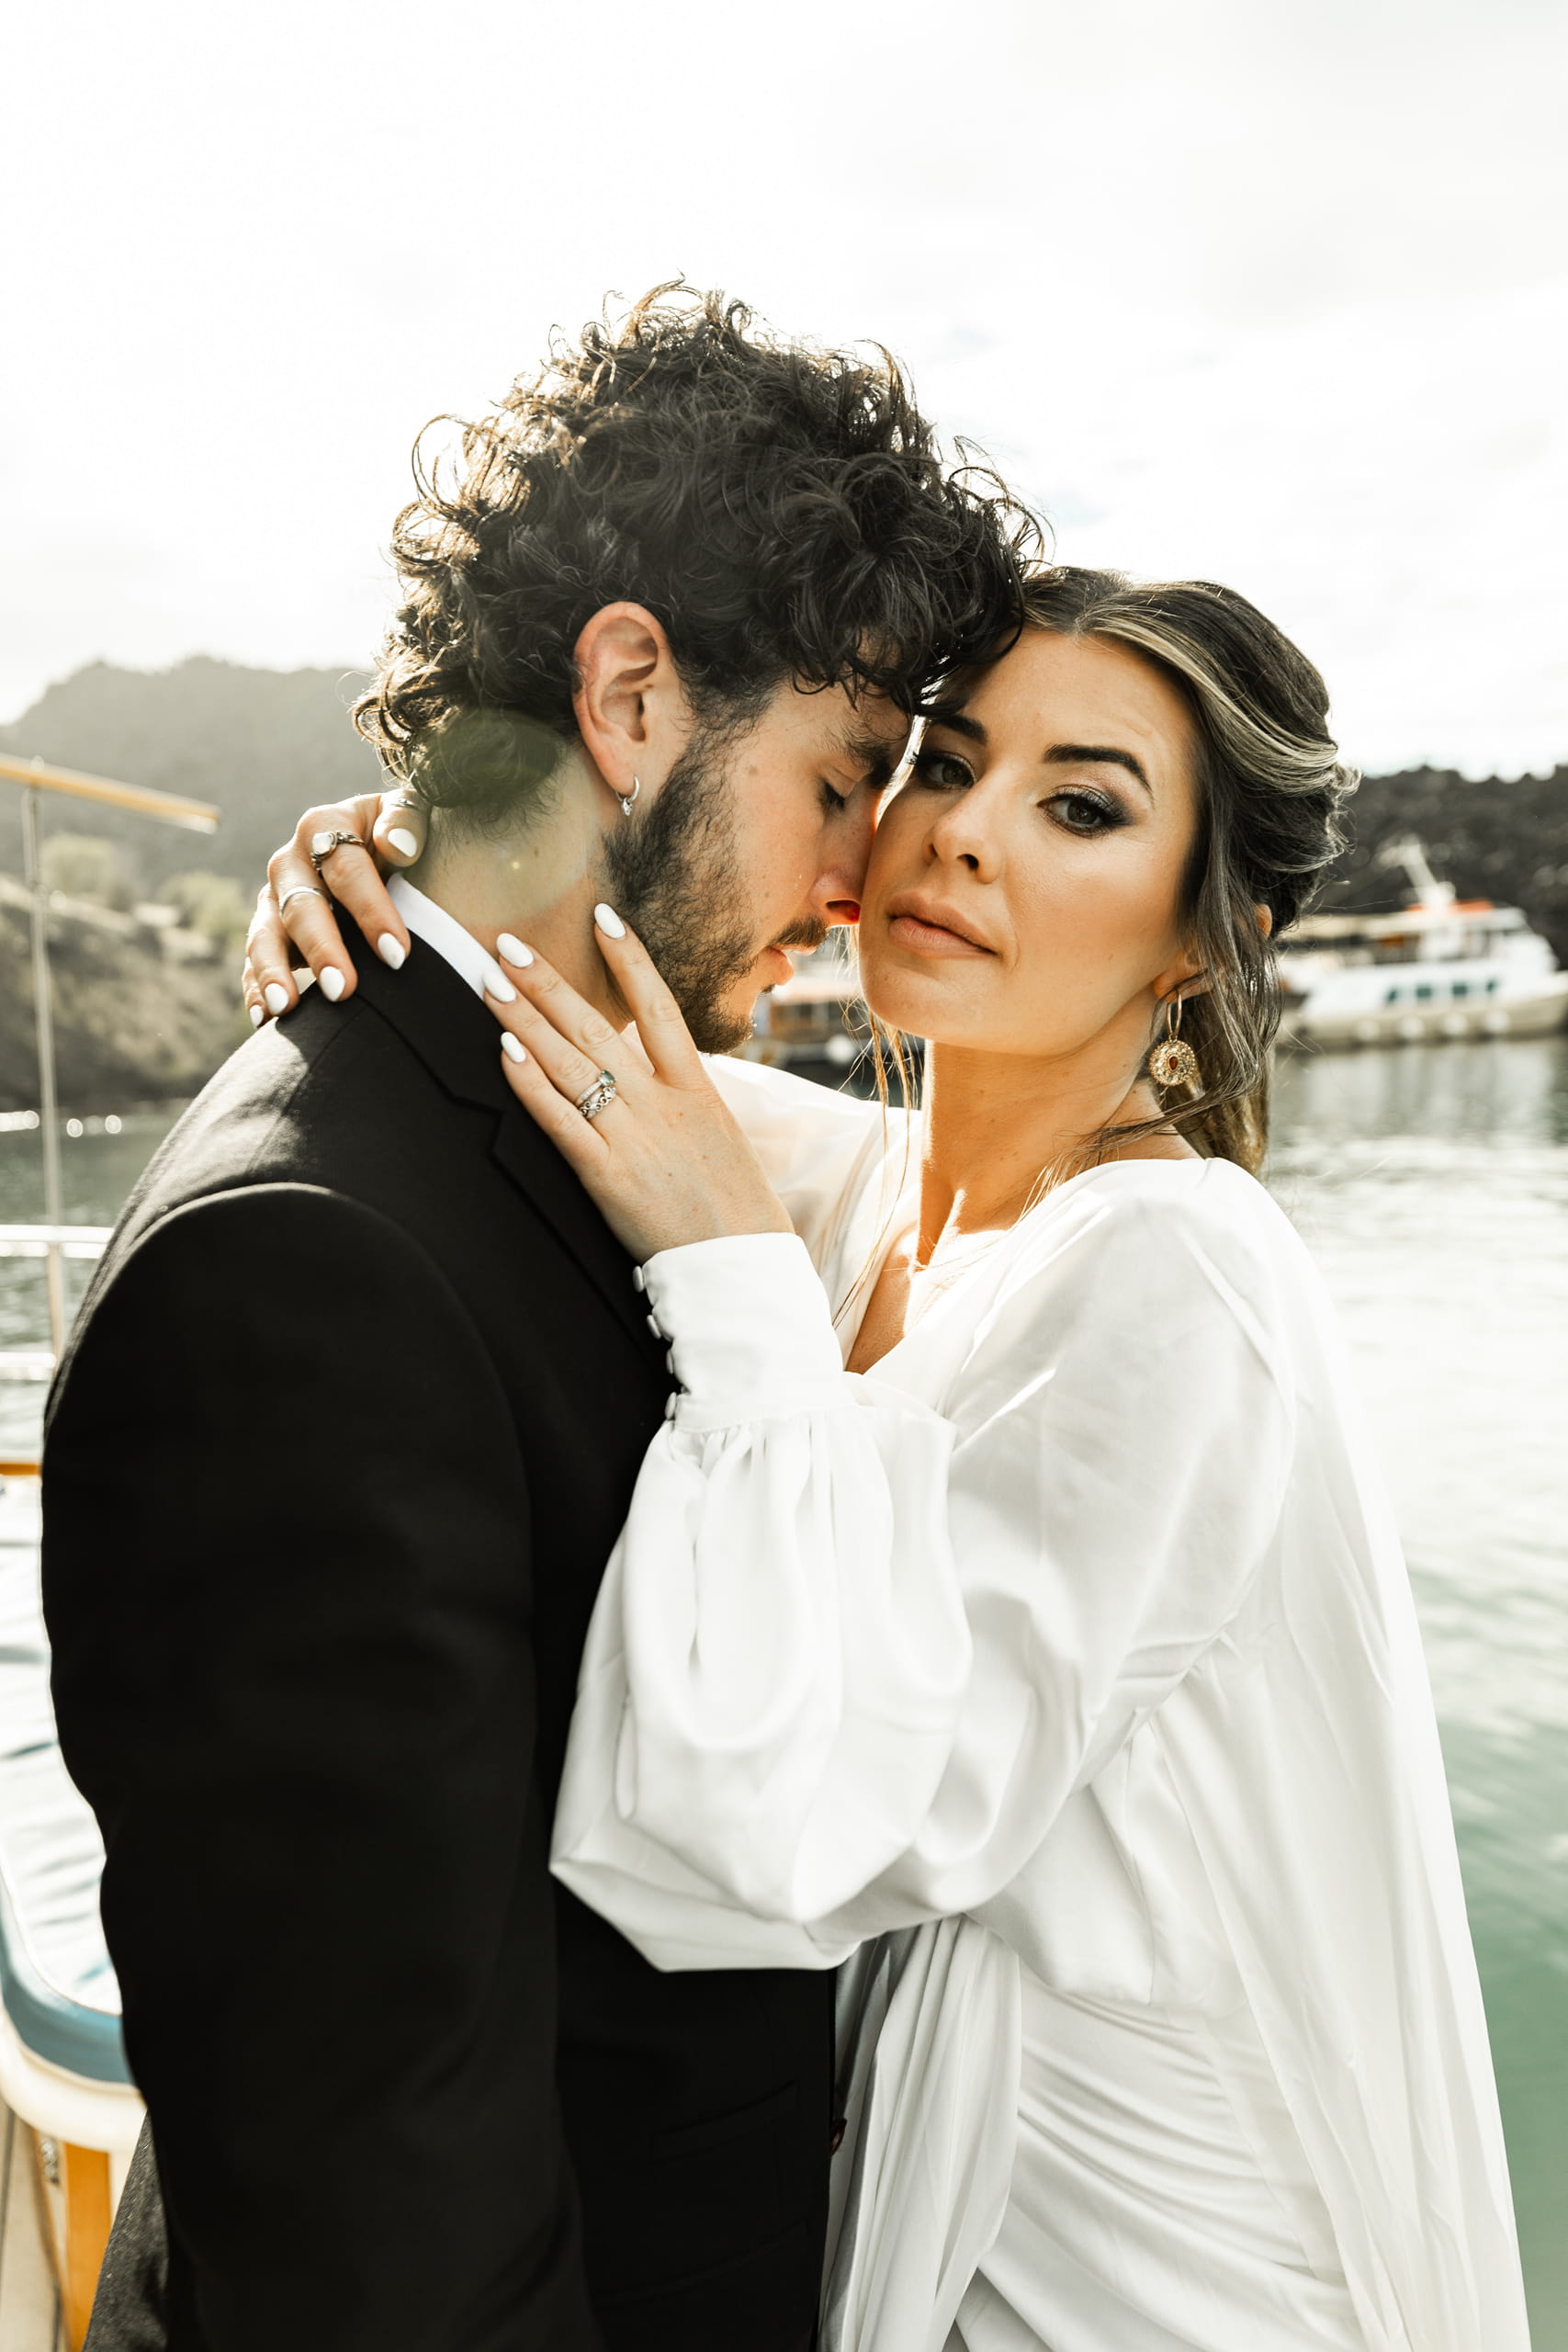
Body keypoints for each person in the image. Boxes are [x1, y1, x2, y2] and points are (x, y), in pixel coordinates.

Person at [261, 566, 1530, 2350]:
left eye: (1079, 803)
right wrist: (403, 862)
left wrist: (722, 1285)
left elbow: (796, 1824)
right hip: (918, 2178)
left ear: (1199, 938)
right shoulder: (856, 1189)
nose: (966, 835)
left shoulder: (1179, 1266)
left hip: (1141, 2267)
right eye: (942, 762)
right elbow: (551, 1033)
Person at [42, 284, 1027, 2352]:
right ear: (631, 690)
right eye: (842, 779)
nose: (865, 879)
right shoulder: (298, 1277)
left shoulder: (574, 1093)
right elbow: (379, 2215)